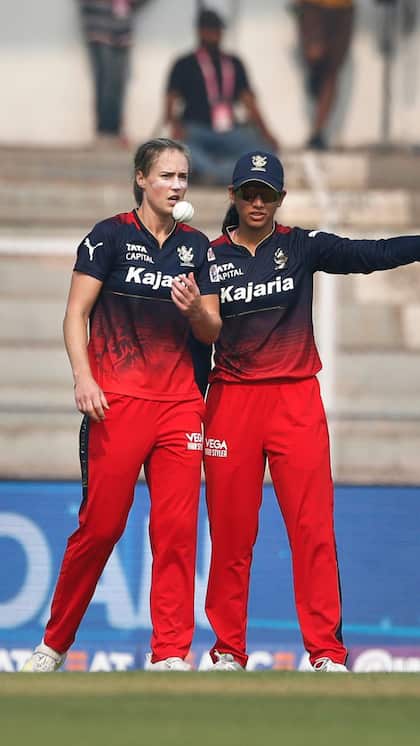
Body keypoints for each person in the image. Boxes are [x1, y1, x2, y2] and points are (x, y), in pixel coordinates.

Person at [203, 150, 420, 671]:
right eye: (249, 193)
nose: (258, 202)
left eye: (267, 194)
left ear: (280, 198)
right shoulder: (206, 256)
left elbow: (370, 253)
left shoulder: (300, 245)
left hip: (295, 399)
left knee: (312, 530)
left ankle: (325, 651)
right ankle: (228, 650)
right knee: (230, 535)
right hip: (231, 401)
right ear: (233, 196)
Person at [22, 138, 221, 673]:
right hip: (116, 402)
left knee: (176, 531)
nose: (176, 186)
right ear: (141, 179)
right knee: (102, 528)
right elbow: (75, 314)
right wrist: (83, 378)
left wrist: (193, 310)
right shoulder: (107, 237)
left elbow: (211, 329)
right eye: (166, 176)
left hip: (180, 406)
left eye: (182, 176)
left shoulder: (197, 247)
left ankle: (170, 653)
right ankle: (53, 645)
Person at [165, 8, 279, 185]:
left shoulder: (234, 62)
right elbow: (170, 99)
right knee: (180, 151)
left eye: (218, 30)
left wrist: (267, 133)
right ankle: (226, 172)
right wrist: (175, 125)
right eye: (210, 30)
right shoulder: (184, 63)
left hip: (229, 131)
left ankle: (213, 172)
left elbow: (249, 101)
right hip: (196, 129)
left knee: (263, 153)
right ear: (200, 31)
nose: (215, 34)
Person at [78, 0, 149, 144]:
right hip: (99, 26)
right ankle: (106, 132)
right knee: (106, 82)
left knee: (117, 83)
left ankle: (114, 131)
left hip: (122, 31)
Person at [294, 0, 355, 150]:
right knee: (315, 54)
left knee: (332, 72)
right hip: (312, 5)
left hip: (343, 7)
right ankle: (315, 75)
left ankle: (318, 132)